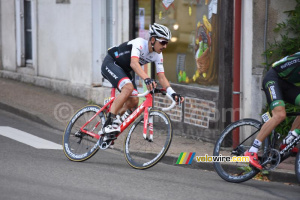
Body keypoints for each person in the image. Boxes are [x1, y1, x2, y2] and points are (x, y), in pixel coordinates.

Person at [101, 23, 184, 142]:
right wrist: (147, 78)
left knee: (134, 100)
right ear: (153, 39)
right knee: (128, 88)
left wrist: (172, 93)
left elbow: (162, 77)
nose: (165, 46)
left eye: (167, 43)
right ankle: (108, 124)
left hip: (123, 70)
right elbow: (134, 63)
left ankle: (116, 118)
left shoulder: (158, 55)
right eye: (163, 42)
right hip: (111, 62)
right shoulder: (139, 43)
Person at [245, 52, 300, 169]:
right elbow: (278, 66)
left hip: (286, 85)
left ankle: (290, 138)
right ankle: (252, 151)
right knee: (280, 115)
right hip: (273, 79)